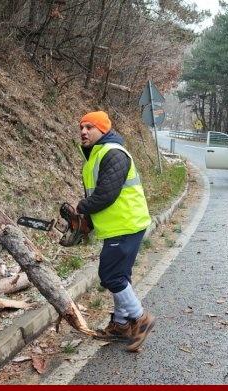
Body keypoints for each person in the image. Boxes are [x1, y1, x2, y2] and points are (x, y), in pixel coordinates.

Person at [75, 111, 155, 352]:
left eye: (89, 127)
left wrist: (81, 208)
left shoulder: (113, 153)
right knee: (119, 274)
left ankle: (140, 318)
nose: (83, 131)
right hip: (120, 224)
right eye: (81, 127)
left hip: (126, 224)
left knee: (110, 275)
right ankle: (121, 324)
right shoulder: (97, 154)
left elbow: (106, 195)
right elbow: (100, 194)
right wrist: (88, 220)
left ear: (103, 129)